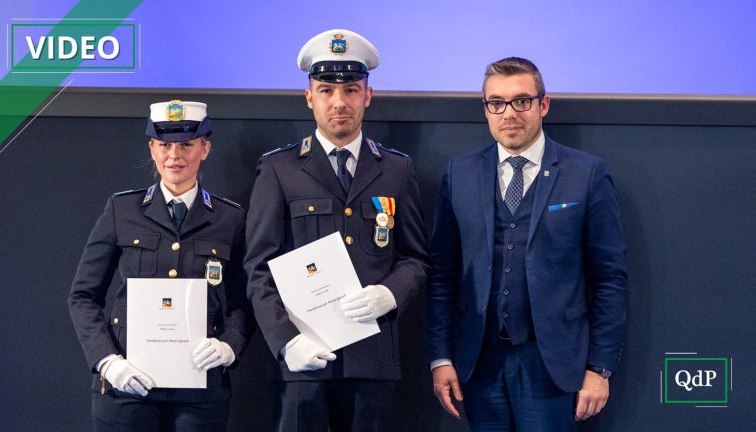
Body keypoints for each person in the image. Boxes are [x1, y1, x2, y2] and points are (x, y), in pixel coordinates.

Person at [426, 57, 627, 431]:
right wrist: (440, 357)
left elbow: (609, 278)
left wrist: (599, 367)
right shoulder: (460, 173)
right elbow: (442, 275)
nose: (509, 113)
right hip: (478, 362)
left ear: (543, 104)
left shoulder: (585, 173)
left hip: (552, 363)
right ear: (486, 109)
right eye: (496, 103)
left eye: (521, 101)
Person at [244, 29, 429, 432]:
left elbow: (415, 257)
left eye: (351, 89)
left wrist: (390, 294)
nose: (339, 102)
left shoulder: (396, 169)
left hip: (372, 359)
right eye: (326, 90)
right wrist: (286, 341)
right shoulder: (279, 169)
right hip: (303, 359)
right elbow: (258, 267)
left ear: (368, 95)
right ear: (309, 97)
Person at [68, 100, 254, 431]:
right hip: (128, 385)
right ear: (152, 149)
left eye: (186, 145)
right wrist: (107, 361)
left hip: (200, 390)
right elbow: (83, 296)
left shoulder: (230, 218)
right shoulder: (122, 210)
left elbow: (244, 301)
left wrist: (229, 345)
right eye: (165, 145)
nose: (174, 155)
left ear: (205, 149)